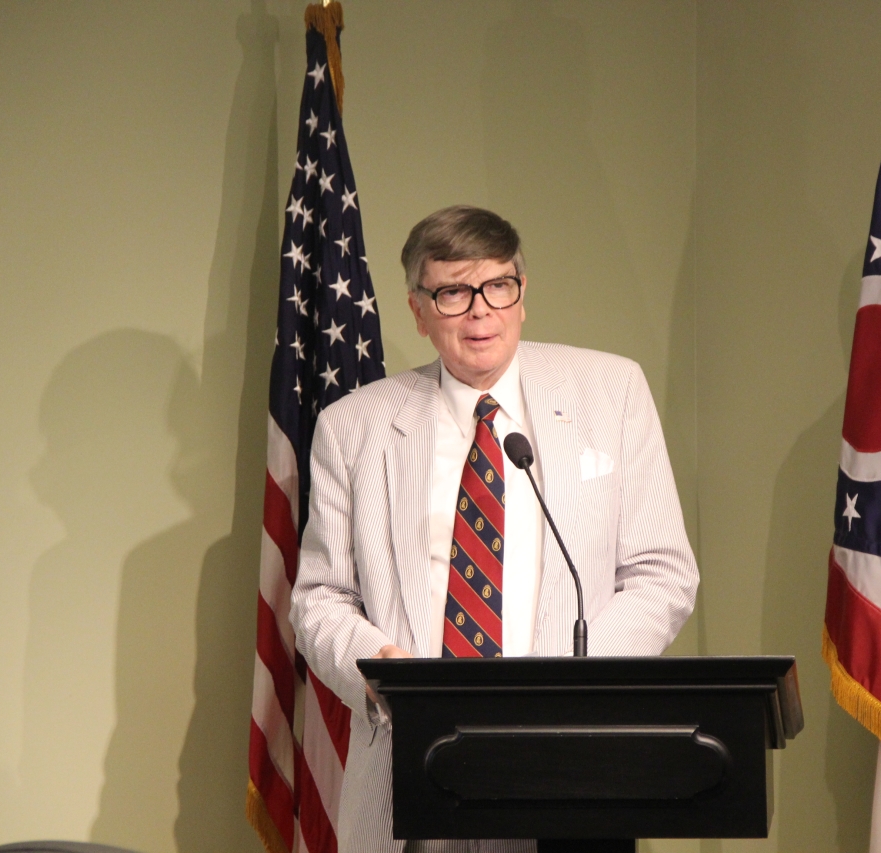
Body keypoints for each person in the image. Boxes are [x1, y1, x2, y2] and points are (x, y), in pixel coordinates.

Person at [289, 205, 698, 853]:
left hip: (570, 765)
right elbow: (320, 597)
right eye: (453, 292)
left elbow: (663, 572)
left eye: (497, 286)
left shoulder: (612, 391)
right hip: (416, 763)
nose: (480, 311)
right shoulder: (355, 426)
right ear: (419, 311)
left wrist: (564, 683)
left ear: (522, 294)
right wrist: (376, 667)